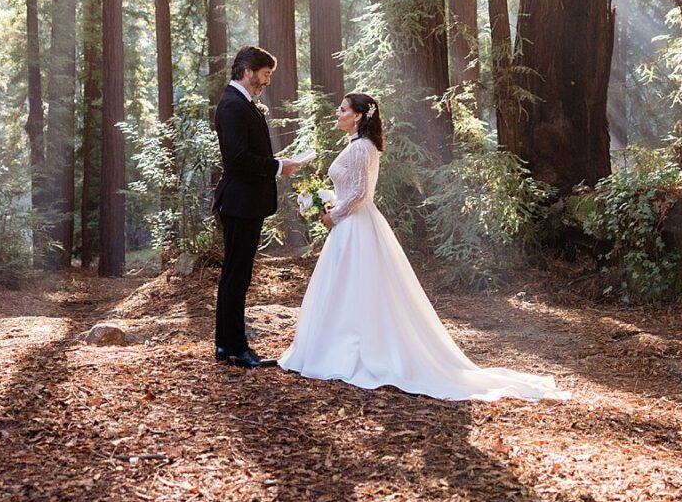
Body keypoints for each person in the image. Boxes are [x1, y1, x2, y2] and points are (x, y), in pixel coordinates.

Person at [279, 93, 569, 402]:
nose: (337, 113)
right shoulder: (354, 145)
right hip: (348, 225)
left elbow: (362, 192)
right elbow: (350, 188)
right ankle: (338, 344)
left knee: (358, 285)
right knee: (345, 286)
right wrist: (326, 202)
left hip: (354, 224)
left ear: (359, 116)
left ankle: (362, 350)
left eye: (343, 109)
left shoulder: (363, 147)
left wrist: (333, 214)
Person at [211, 45, 305, 369]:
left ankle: (226, 345)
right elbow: (237, 158)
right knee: (236, 277)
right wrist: (279, 166)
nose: (266, 81)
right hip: (239, 202)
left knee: (235, 276)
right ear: (248, 71)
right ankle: (235, 347)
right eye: (265, 75)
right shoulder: (233, 105)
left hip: (244, 202)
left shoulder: (242, 103)